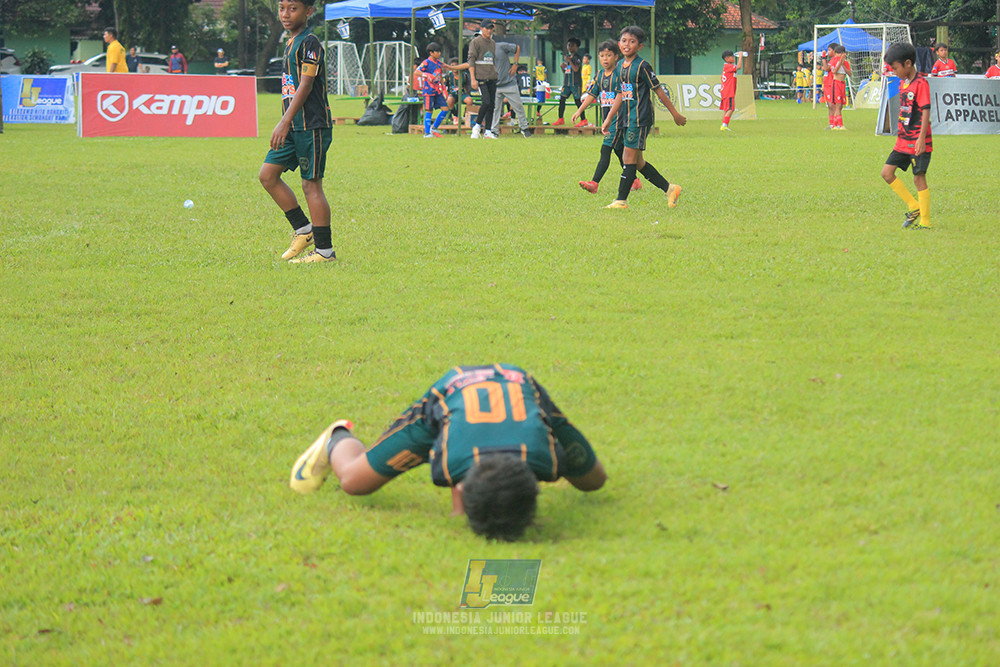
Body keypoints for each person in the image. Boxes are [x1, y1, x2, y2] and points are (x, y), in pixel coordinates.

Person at [288, 364, 607, 542]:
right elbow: (459, 495)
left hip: (520, 384)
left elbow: (596, 479)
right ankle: (336, 437)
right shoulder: (456, 459)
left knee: (593, 481)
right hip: (451, 393)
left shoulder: (543, 456)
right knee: (354, 481)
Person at [258, 0, 336, 263]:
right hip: (294, 126)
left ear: (308, 11)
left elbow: (305, 84)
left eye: (293, 8)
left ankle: (325, 251)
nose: (286, 14)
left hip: (311, 124)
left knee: (310, 184)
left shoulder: (310, 42)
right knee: (268, 175)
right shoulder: (290, 42)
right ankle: (304, 230)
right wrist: (288, 123)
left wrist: (284, 121)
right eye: (282, 8)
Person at [601, 26, 686, 211]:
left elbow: (658, 90)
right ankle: (670, 188)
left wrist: (675, 113)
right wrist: (609, 118)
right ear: (619, 44)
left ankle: (621, 201)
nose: (627, 45)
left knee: (627, 157)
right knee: (638, 162)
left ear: (639, 46)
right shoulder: (620, 68)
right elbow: (620, 95)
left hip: (640, 119)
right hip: (626, 119)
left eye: (632, 42)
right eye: (624, 41)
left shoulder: (643, 66)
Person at [574, 40, 640, 194]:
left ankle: (594, 183)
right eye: (602, 56)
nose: (605, 59)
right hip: (608, 120)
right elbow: (592, 94)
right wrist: (579, 110)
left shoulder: (619, 74)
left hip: (618, 119)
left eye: (608, 55)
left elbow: (625, 94)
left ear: (616, 57)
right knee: (619, 150)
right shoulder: (599, 75)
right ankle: (635, 180)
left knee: (606, 149)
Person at [880, 42, 932, 230]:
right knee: (886, 173)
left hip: (918, 140)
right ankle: (913, 206)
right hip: (903, 140)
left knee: (919, 178)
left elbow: (926, 111)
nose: (894, 72)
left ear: (908, 63)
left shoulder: (921, 83)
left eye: (895, 68)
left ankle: (925, 222)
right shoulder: (903, 83)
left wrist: (920, 138)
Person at [491, 39, 532, 138]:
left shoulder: (501, 46)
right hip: (494, 84)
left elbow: (517, 47)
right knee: (495, 109)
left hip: (509, 83)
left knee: (518, 106)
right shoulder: (480, 51)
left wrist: (515, 64)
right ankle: (494, 131)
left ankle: (524, 128)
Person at [467, 19, 499, 139]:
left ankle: (488, 131)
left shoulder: (493, 43)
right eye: (487, 28)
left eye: (491, 28)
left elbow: (493, 60)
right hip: (480, 77)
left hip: (492, 76)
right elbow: (471, 60)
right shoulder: (476, 42)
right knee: (486, 102)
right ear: (482, 28)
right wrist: (473, 78)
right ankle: (477, 126)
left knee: (492, 105)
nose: (489, 31)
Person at [416, 42, 450, 138]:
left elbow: (440, 76)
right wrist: (426, 75)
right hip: (428, 90)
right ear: (431, 53)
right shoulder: (426, 62)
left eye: (439, 51)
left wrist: (444, 90)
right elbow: (417, 72)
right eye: (437, 51)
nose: (439, 53)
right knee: (429, 110)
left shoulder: (439, 63)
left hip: (438, 90)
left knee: (445, 109)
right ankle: (427, 133)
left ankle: (434, 128)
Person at [553, 37, 584, 126]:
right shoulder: (567, 57)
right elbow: (567, 71)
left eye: (572, 45)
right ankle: (560, 119)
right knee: (562, 99)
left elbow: (576, 69)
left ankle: (583, 119)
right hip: (567, 83)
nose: (570, 47)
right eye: (568, 45)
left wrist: (569, 61)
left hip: (575, 83)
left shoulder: (577, 58)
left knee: (577, 101)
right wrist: (562, 68)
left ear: (577, 47)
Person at [719, 50, 743, 131]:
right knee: (731, 108)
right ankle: (724, 125)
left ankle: (723, 125)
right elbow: (739, 67)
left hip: (725, 91)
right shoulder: (728, 66)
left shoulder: (727, 67)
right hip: (728, 91)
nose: (734, 58)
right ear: (727, 58)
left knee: (726, 109)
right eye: (732, 57)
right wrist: (740, 56)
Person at [444, 57, 472, 125]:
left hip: (462, 93)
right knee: (449, 100)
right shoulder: (448, 76)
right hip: (453, 94)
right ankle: (456, 115)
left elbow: (467, 85)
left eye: (456, 66)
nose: (454, 68)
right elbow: (445, 86)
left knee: (469, 100)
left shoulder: (464, 75)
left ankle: (465, 115)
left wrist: (468, 93)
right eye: (452, 66)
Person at [829, 45, 851, 130]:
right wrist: (839, 62)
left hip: (843, 83)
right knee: (837, 104)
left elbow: (849, 73)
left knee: (840, 105)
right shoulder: (834, 60)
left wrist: (843, 64)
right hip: (836, 83)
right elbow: (834, 71)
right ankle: (840, 125)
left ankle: (835, 124)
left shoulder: (846, 63)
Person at [821, 43, 837, 127]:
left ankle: (835, 123)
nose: (828, 52)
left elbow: (827, 68)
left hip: (831, 84)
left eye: (829, 50)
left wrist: (823, 58)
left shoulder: (835, 60)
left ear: (834, 51)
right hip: (827, 84)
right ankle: (831, 124)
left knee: (832, 105)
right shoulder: (831, 60)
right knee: (829, 106)